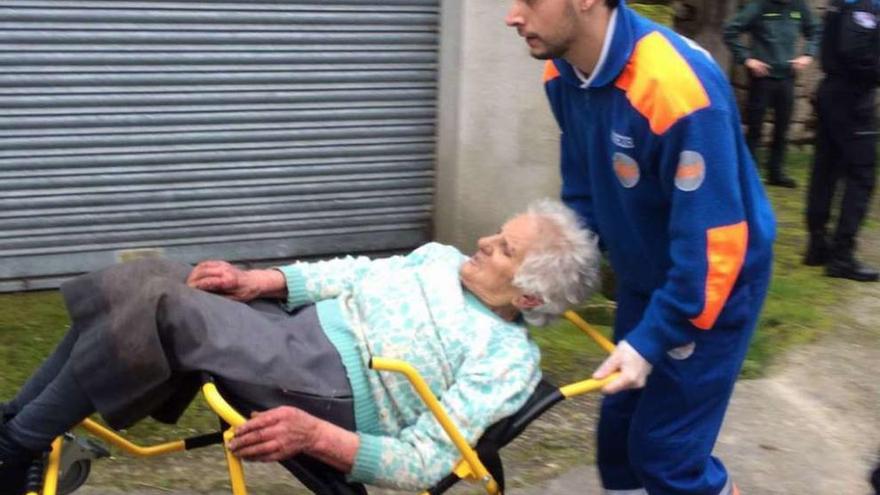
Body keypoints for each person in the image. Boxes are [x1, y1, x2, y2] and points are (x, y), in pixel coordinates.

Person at [0, 199, 600, 494]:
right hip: (295, 332)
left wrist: (317, 437)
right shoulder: (439, 259)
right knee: (156, 278)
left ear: (526, 296)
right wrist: (260, 281)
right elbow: (353, 273)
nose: (483, 240)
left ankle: (13, 448)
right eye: (498, 233)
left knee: (164, 310)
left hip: (333, 387)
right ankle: (14, 436)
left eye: (505, 249)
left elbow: (427, 460)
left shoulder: (507, 359)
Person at [506, 1, 775, 495]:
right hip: (647, 276)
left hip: (713, 283)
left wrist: (654, 338)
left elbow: (715, 242)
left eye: (530, 0)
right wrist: (547, 273)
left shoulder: (675, 86)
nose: (513, 16)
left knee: (667, 454)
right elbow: (584, 189)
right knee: (619, 437)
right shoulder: (560, 73)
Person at [804, 0, 880, 282]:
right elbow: (854, 50)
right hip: (853, 98)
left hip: (833, 93)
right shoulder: (866, 4)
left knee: (826, 168)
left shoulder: (840, 2)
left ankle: (817, 242)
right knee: (861, 175)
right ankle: (842, 256)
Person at [723, 0, 820, 188]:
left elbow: (816, 30)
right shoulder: (759, 6)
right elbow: (730, 31)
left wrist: (808, 54)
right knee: (755, 128)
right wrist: (747, 59)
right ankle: (748, 173)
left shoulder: (798, 7)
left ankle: (776, 173)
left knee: (782, 128)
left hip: (787, 77)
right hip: (763, 77)